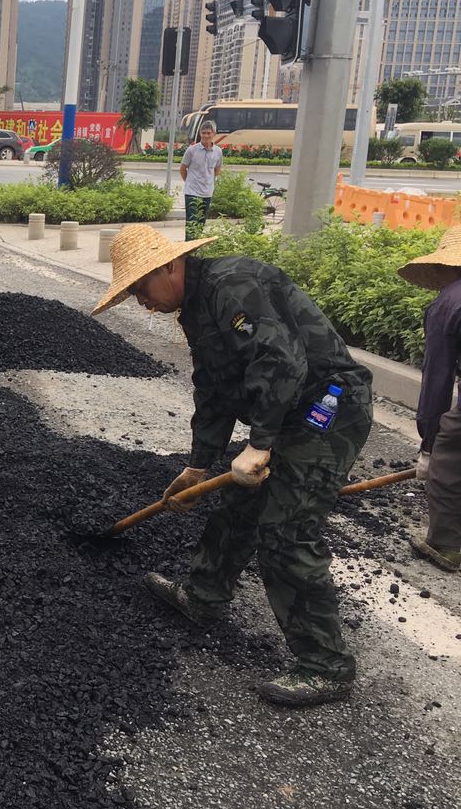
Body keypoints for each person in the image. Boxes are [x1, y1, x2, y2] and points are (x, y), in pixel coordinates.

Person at [93, 225, 374, 707]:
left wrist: (261, 444)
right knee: (239, 503)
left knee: (285, 531)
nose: (142, 301)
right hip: (287, 410)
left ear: (169, 267)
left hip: (328, 407)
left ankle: (325, 666)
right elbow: (214, 388)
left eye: (141, 288)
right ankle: (203, 596)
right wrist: (198, 465)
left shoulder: (234, 285)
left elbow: (280, 361)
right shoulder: (196, 307)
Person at [398, 227, 461, 571]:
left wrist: (429, 446)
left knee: (451, 456)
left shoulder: (449, 302)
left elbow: (437, 380)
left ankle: (446, 545)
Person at [180, 122, 222, 241]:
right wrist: (189, 182)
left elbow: (217, 170)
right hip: (192, 192)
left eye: (208, 133)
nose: (206, 136)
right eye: (203, 133)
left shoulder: (218, 151)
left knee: (201, 222)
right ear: (200, 133)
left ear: (214, 134)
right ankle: (189, 248)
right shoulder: (192, 150)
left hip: (207, 193)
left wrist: (209, 182)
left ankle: (197, 246)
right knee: (192, 221)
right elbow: (183, 168)